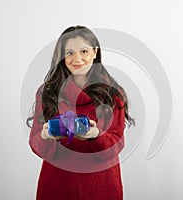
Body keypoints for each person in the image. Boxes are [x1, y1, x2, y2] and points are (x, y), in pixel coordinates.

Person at [27, 25, 135, 200]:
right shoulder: (47, 93)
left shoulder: (112, 94)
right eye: (69, 53)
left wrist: (96, 135)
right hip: (56, 186)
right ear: (62, 57)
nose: (77, 58)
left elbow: (116, 146)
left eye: (84, 51)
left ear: (95, 52)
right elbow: (35, 144)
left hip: (102, 188)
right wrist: (46, 136)